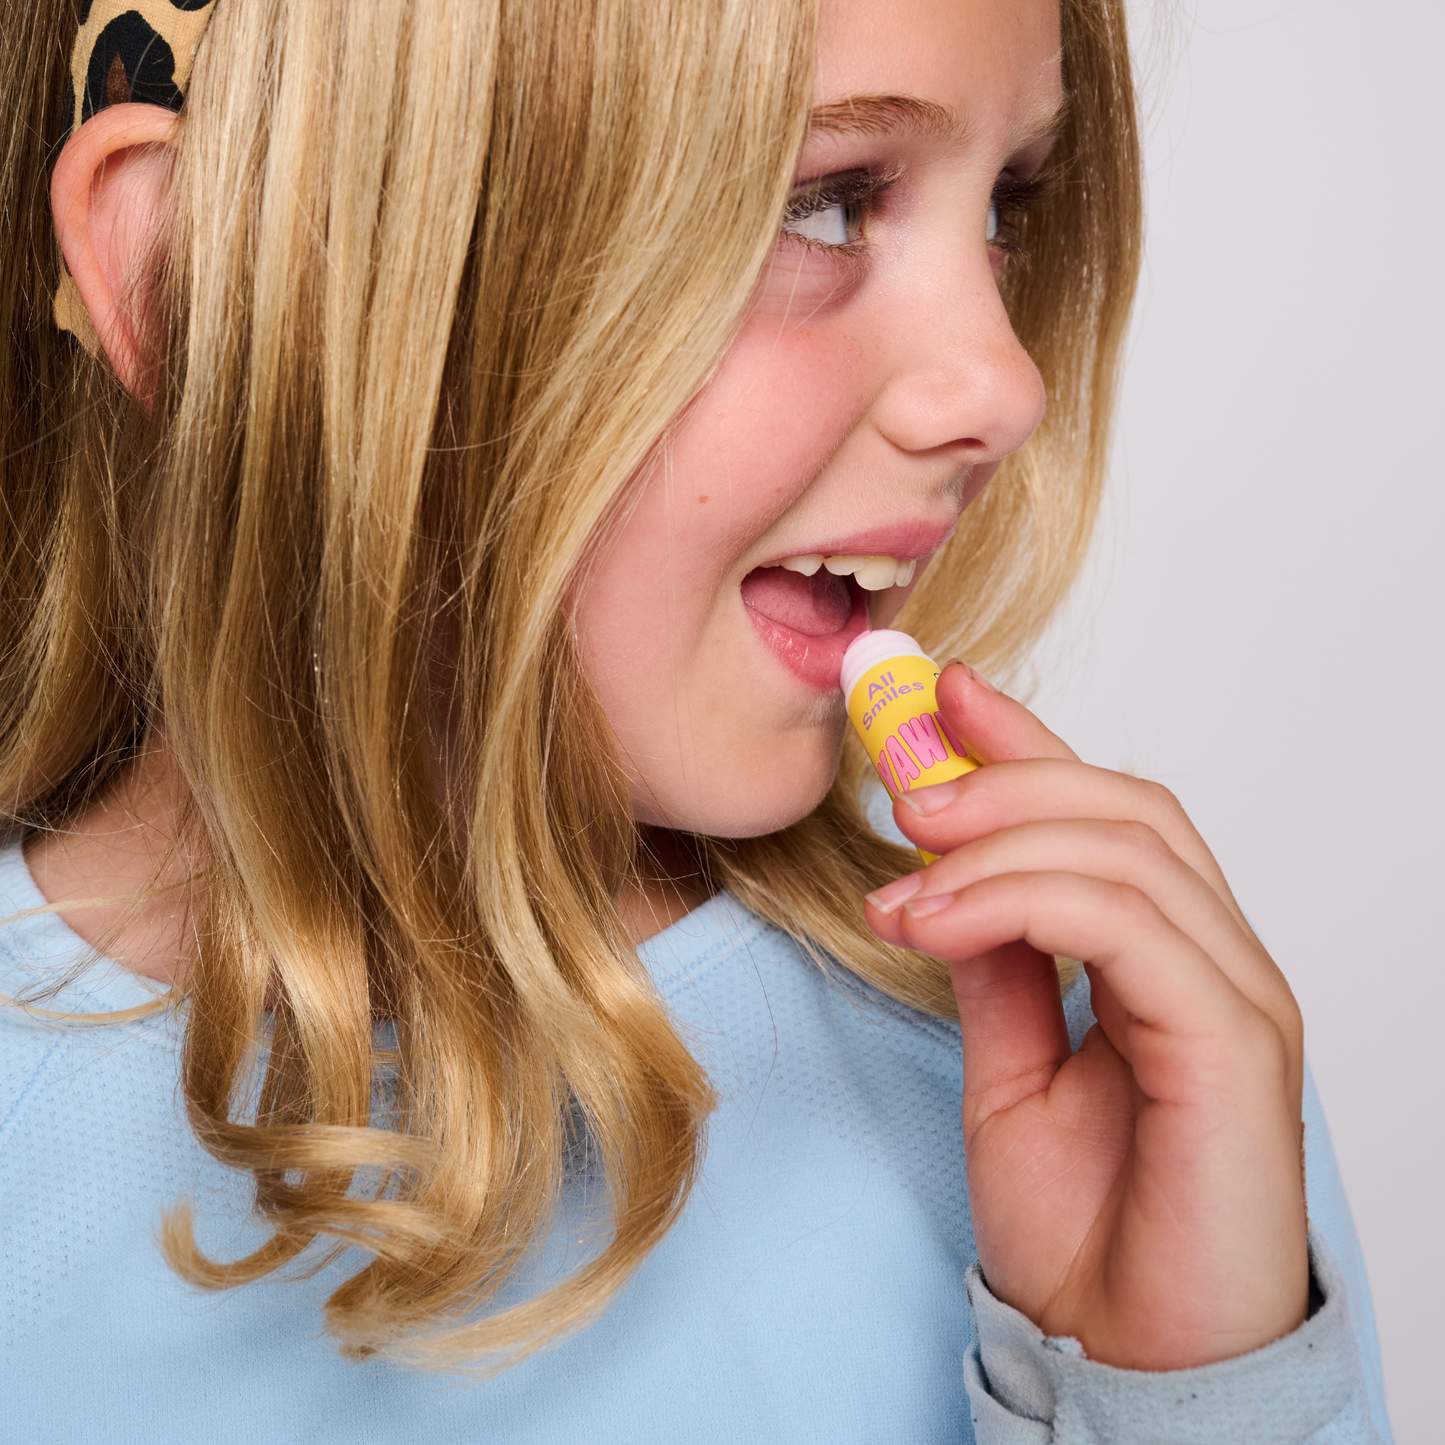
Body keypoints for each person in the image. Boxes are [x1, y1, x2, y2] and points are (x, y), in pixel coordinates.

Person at [0, 0, 1392, 1440]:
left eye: (1010, 209)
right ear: (197, 278)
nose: (1004, 384)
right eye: (830, 205)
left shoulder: (1106, 1081)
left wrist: (1189, 1394)